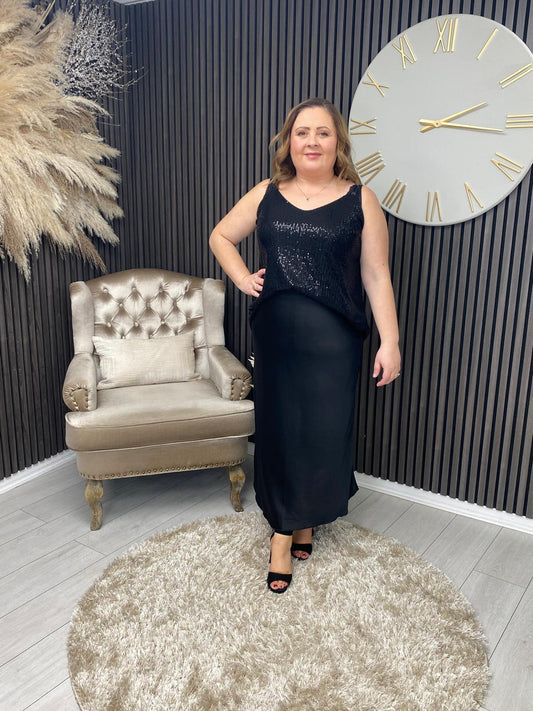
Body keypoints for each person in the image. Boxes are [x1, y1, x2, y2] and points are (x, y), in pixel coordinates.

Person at [209, 98, 401, 594]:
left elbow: (376, 274)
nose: (311, 141)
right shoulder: (266, 194)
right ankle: (282, 531)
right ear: (288, 142)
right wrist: (243, 279)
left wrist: (391, 341)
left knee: (321, 433)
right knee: (280, 431)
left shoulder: (362, 200)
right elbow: (221, 237)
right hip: (275, 337)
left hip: (334, 342)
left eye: (322, 133)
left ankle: (305, 517)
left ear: (338, 143)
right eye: (302, 133)